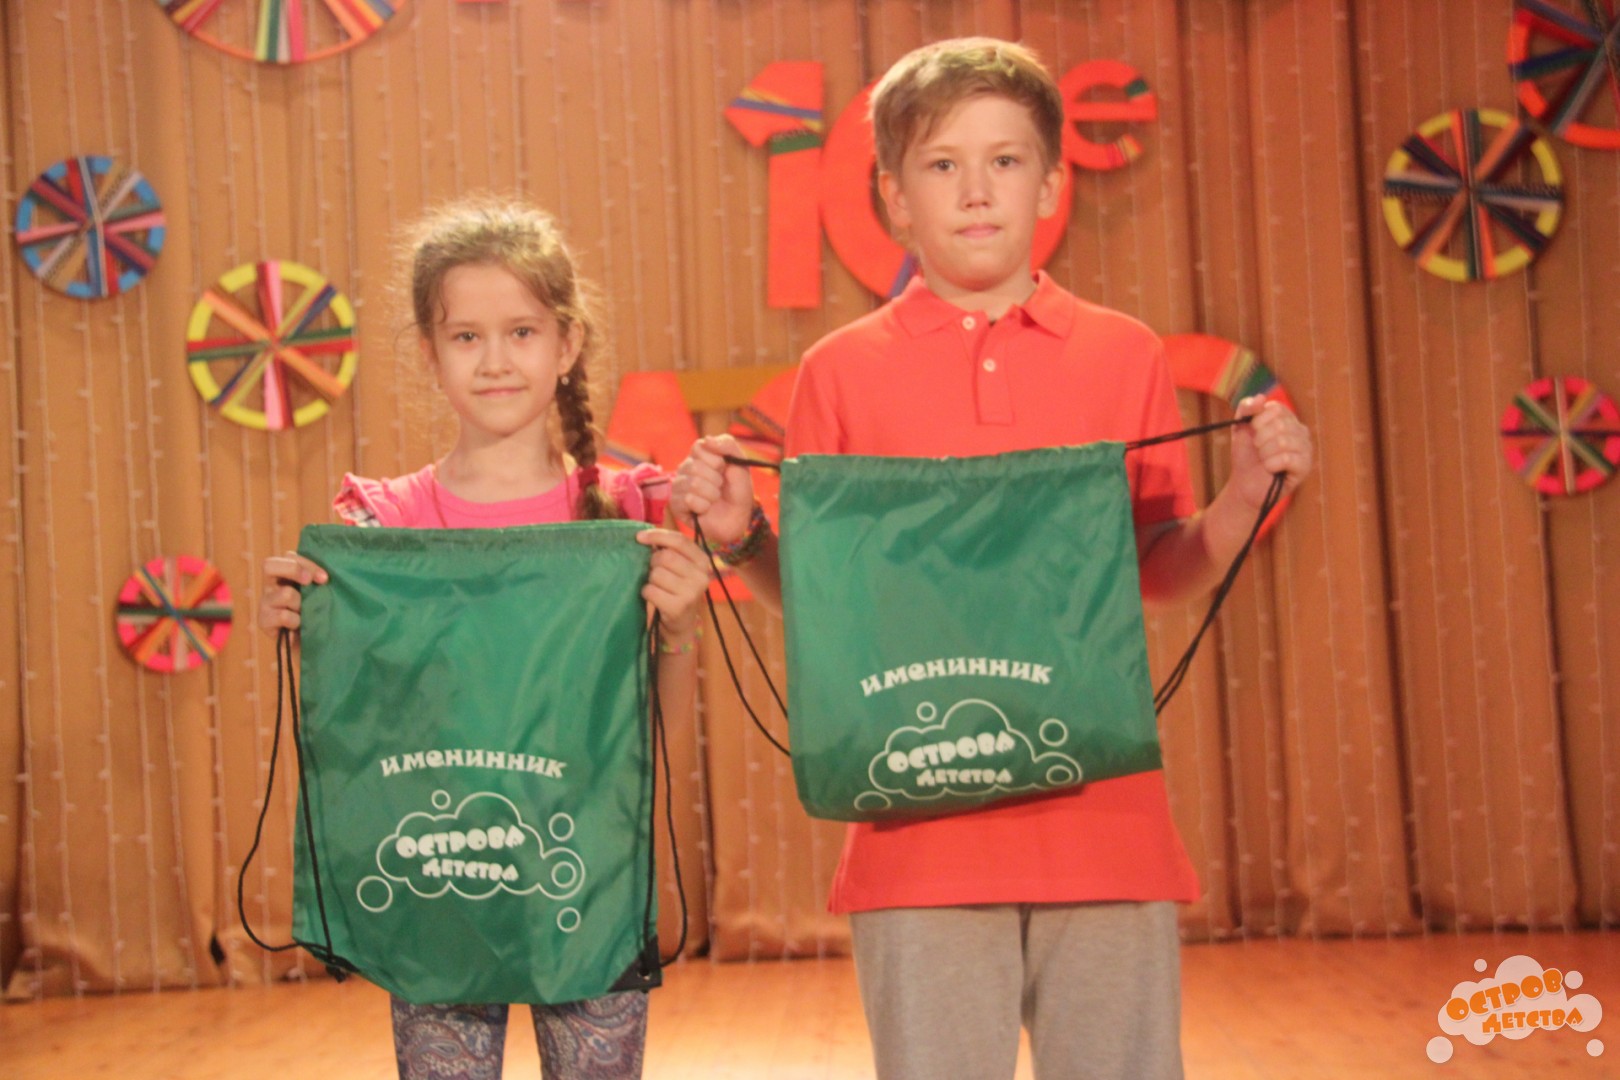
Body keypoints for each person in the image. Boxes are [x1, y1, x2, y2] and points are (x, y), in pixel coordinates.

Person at [672, 37, 1313, 1080]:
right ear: (894, 198)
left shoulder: (1124, 354)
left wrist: (1246, 494)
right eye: (942, 164)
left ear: (1051, 183)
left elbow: (1158, 568)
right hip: (917, 837)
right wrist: (743, 537)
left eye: (1005, 161)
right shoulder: (839, 372)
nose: (976, 191)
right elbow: (834, 608)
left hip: (1104, 827)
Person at [257, 197, 710, 1080]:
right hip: (437, 890)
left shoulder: (626, 518)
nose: (495, 360)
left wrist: (681, 626)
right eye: (466, 337)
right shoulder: (385, 527)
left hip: (588, 888)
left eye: (522, 332)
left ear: (567, 345)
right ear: (431, 355)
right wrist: (304, 632)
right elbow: (368, 727)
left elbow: (658, 740)